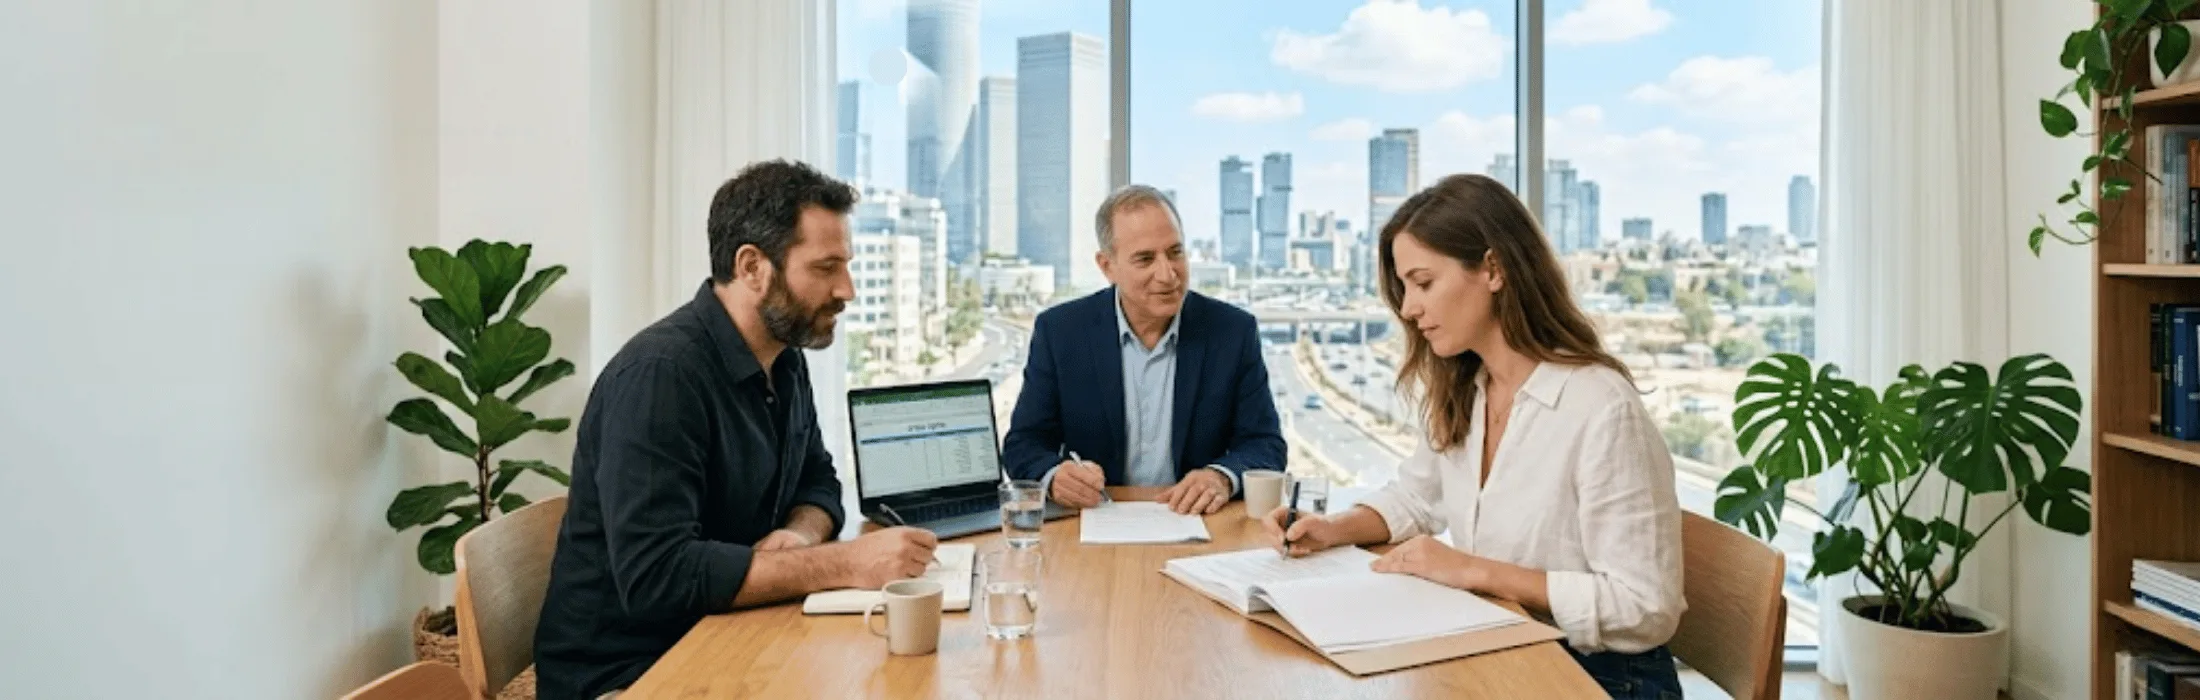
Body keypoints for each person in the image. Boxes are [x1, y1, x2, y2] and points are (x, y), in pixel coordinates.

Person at [1259, 174, 1686, 699]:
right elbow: (1417, 496)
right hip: (1511, 646)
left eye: (1423, 282)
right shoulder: (1470, 388)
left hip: (1599, 678)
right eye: (1404, 288)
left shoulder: (1599, 407)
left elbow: (1645, 607)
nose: (1409, 309)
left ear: (1493, 269)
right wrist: (1332, 528)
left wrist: (1473, 571)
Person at [534, 160, 939, 700]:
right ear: (752, 266)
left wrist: (800, 535)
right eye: (826, 268)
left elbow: (818, 481)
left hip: (730, 630)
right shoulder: (660, 377)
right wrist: (843, 562)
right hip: (629, 675)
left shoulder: (783, 356)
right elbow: (657, 577)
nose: (848, 289)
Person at [1003, 185, 1286, 515]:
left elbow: (1265, 445)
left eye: (1175, 253)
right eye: (1145, 259)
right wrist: (1053, 477)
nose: (1167, 275)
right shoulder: (1061, 332)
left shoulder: (1233, 332)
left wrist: (1221, 477)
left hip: (1199, 525)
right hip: (1094, 525)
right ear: (1107, 266)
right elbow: (1024, 444)